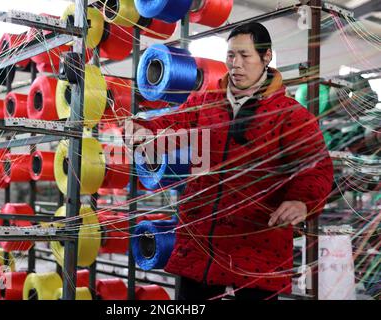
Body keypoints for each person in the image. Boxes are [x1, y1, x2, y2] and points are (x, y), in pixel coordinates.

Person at [129, 22, 334, 300]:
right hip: (199, 248)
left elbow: (316, 167)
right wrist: (144, 129)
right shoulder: (206, 104)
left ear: (266, 57)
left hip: (257, 249)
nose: (235, 64)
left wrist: (301, 200)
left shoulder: (290, 116)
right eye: (230, 56)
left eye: (245, 56)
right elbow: (172, 123)